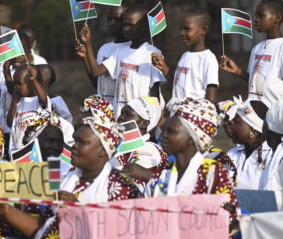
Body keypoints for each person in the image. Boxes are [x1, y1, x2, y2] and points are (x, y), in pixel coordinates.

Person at [0, 113, 141, 238]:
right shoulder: (69, 179)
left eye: (82, 142)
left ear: (103, 151)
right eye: (75, 141)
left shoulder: (121, 188)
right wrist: (6, 211)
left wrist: (78, 212)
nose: (74, 147)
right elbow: (46, 229)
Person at [145, 98, 238, 230]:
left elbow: (229, 223)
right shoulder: (162, 173)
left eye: (172, 131)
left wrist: (230, 217)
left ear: (191, 138)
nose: (164, 135)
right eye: (166, 130)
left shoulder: (213, 172)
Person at [78, 6, 166, 116]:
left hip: (141, 116)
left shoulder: (152, 53)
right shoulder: (119, 51)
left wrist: (155, 117)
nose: (126, 29)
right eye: (124, 25)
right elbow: (96, 72)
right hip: (119, 115)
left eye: (131, 25)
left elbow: (155, 92)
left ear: (144, 26)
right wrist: (87, 45)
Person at [221, 0, 283, 107]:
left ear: (277, 18)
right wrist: (237, 71)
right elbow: (254, 80)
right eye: (256, 15)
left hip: (273, 110)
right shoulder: (257, 48)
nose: (256, 19)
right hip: (253, 109)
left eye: (261, 15)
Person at [151, 8, 219, 102]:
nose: (182, 33)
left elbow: (211, 98)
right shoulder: (185, 56)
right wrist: (164, 68)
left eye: (187, 29)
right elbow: (177, 86)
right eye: (180, 29)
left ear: (203, 30)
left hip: (194, 114)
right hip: (177, 111)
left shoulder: (208, 59)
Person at [76, 6, 130, 104]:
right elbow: (97, 82)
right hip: (104, 109)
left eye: (117, 20)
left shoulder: (130, 49)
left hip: (122, 109)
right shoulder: (104, 48)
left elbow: (96, 71)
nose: (111, 24)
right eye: (109, 20)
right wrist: (84, 58)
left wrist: (88, 44)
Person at [115, 96, 168, 183]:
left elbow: (129, 183)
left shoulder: (149, 150)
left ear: (144, 124)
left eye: (128, 114)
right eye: (122, 113)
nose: (121, 117)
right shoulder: (118, 145)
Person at [225, 97, 272, 189]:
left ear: (252, 128)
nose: (230, 125)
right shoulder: (231, 155)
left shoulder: (271, 157)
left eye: (236, 122)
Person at [7, 65, 50, 152]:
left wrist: (34, 80)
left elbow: (43, 100)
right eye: (15, 83)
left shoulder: (37, 100)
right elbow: (9, 123)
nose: (16, 87)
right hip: (17, 149)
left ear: (31, 84)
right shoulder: (17, 103)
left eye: (19, 83)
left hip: (34, 149)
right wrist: (14, 100)